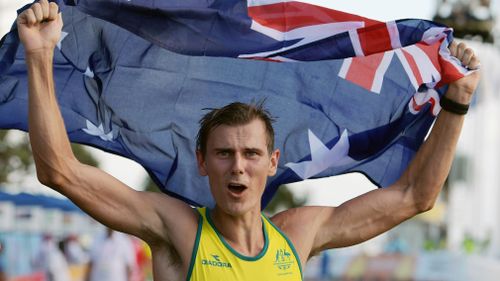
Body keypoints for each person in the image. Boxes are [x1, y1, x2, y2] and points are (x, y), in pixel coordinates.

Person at [17, 1, 480, 280]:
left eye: (251, 153)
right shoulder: (177, 231)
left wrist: (457, 103)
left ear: (273, 162)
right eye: (224, 153)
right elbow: (60, 169)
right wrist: (40, 57)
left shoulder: (298, 236)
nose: (238, 166)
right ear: (202, 162)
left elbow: (414, 196)